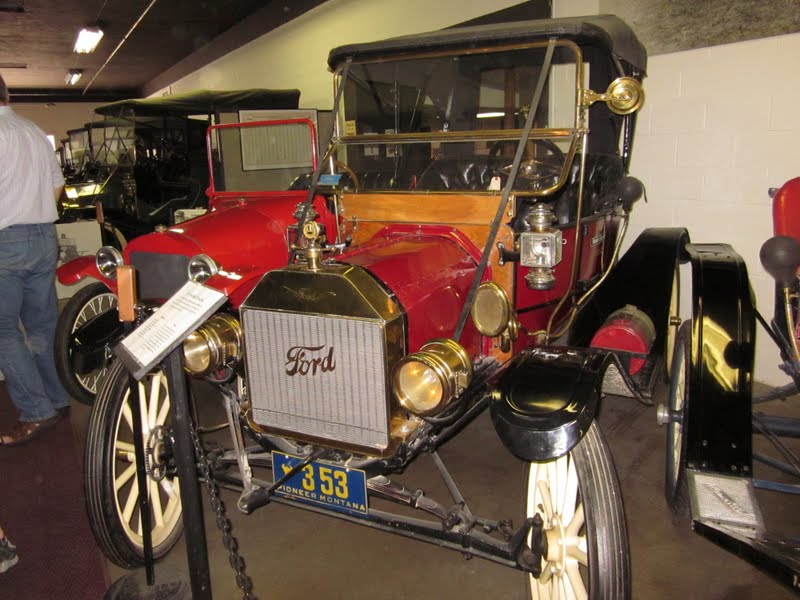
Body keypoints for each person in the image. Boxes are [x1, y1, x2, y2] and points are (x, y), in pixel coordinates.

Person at [0, 72, 71, 446]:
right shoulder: (32, 130)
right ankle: (57, 398)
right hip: (44, 237)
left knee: (3, 331)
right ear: (7, 93)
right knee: (42, 326)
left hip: (5, 241)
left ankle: (36, 409)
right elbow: (58, 185)